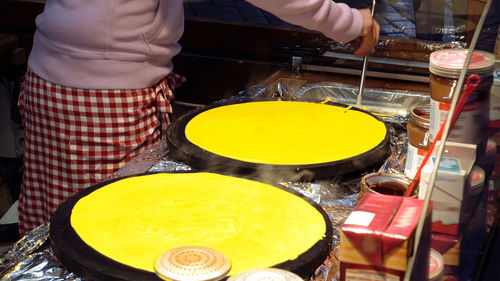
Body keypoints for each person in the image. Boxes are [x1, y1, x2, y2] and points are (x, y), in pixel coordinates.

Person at [17, 0, 380, 236]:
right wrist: (350, 22)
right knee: (110, 231)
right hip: (103, 99)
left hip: (51, 82)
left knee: (61, 228)